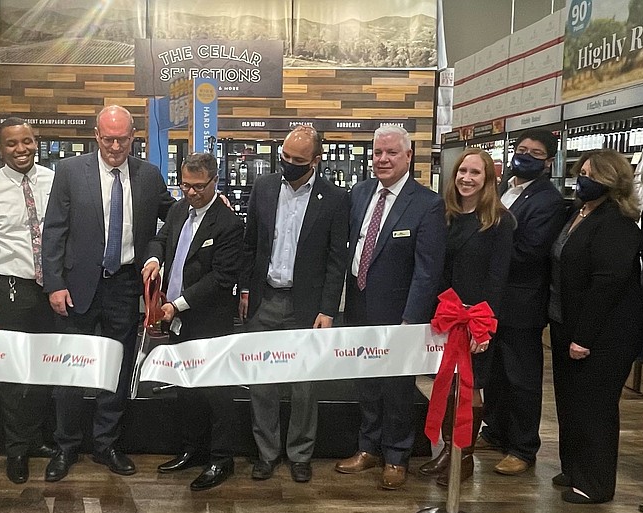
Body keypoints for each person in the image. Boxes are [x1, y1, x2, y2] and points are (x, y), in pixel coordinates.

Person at [41, 105, 175, 482]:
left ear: (134, 137)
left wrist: (212, 203)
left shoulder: (149, 176)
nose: (115, 146)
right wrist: (54, 283)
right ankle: (65, 447)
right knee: (71, 371)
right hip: (76, 287)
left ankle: (105, 445)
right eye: (108, 138)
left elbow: (173, 216)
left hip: (125, 285)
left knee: (115, 370)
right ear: (96, 136)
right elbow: (54, 231)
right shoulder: (69, 172)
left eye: (123, 138)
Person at [334, 125, 446, 490]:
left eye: (391, 153)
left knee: (398, 388)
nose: (382, 159)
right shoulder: (360, 193)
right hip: (359, 306)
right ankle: (367, 448)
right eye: (377, 152)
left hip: (400, 314)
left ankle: (396, 456)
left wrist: (410, 318)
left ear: (409, 157)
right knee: (366, 382)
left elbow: (427, 272)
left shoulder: (427, 203)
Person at [239, 124, 349, 483]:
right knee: (262, 381)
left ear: (316, 160)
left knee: (305, 385)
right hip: (265, 298)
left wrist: (329, 309)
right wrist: (244, 290)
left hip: (307, 306)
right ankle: (266, 453)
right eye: (284, 157)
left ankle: (300, 453)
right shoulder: (264, 187)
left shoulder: (334, 198)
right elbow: (250, 244)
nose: (288, 164)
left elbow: (336, 260)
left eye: (298, 160)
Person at [142, 153, 244, 491]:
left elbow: (222, 277)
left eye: (199, 187)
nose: (191, 193)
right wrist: (155, 258)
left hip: (207, 319)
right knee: (185, 387)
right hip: (176, 320)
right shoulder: (176, 210)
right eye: (185, 185)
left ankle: (220, 457)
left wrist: (177, 306)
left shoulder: (228, 224)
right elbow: (161, 238)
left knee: (216, 391)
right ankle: (192, 449)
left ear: (215, 181)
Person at [548, 149, 642, 504]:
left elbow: (608, 283)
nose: (582, 179)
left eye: (591, 174)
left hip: (603, 335)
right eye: (581, 171)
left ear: (611, 180)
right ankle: (574, 468)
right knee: (570, 402)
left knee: (595, 407)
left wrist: (583, 337)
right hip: (564, 322)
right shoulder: (578, 212)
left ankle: (596, 483)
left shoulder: (617, 224)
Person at [419, 148, 514, 486]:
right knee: (445, 385)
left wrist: (484, 327)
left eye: (475, 173)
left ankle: (466, 456)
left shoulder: (501, 222)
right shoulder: (445, 215)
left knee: (470, 387)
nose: (466, 178)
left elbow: (497, 279)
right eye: (462, 171)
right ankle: (448, 451)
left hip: (476, 320)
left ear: (488, 179)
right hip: (446, 315)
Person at [0, 117, 57, 484]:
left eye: (26, 141)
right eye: (12, 144)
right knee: (12, 376)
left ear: (35, 141)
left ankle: (36, 439)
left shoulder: (55, 182)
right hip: (7, 291)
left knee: (43, 369)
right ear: (0, 148)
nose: (21, 149)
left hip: (50, 291)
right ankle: (16, 449)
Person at [478, 129, 566, 475]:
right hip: (493, 300)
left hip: (522, 302)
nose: (525, 155)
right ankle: (495, 431)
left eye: (535, 152)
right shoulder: (504, 189)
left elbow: (530, 250)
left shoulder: (548, 201)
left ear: (548, 161)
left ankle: (524, 447)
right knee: (496, 372)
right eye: (521, 149)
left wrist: (486, 253)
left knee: (521, 377)